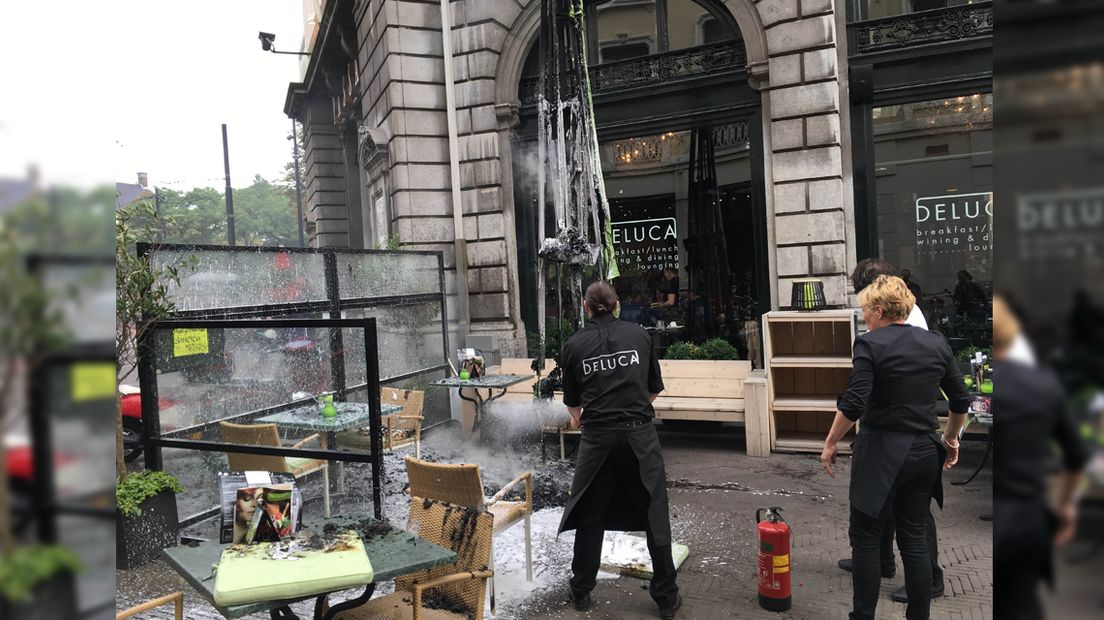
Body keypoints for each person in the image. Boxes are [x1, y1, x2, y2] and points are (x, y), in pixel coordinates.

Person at [822, 275, 971, 620]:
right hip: (923, 451)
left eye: (864, 311)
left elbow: (855, 401)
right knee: (914, 538)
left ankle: (863, 616)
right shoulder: (935, 342)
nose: (863, 318)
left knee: (865, 538)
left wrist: (830, 442)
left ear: (878, 309)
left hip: (880, 452)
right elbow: (960, 398)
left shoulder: (869, 344)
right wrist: (950, 438)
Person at [558, 280, 681, 619]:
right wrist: (630, 408)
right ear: (616, 305)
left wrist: (585, 419)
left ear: (586, 307)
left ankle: (581, 589)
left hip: (597, 441)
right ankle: (667, 598)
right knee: (655, 513)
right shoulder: (640, 336)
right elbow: (653, 390)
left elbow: (573, 407)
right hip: (640, 436)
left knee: (591, 514)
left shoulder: (573, 344)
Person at [839, 259, 944, 605]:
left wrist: (832, 439)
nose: (864, 312)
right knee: (886, 509)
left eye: (865, 303)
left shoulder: (901, 325)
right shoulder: (898, 316)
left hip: (897, 435)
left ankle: (931, 578)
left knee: (913, 521)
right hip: (912, 436)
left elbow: (878, 389)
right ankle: (881, 560)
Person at [992, 296, 1088, 620]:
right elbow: (1076, 454)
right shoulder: (1044, 383)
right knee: (1022, 604)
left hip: (1002, 514)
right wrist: (1065, 505)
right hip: (1028, 517)